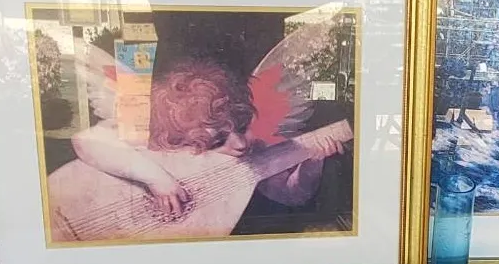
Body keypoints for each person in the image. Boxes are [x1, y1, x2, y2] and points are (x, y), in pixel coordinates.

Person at [71, 58, 341, 222]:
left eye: (242, 127)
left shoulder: (253, 154)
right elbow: (86, 139)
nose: (240, 144)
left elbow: (291, 196)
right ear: (178, 142)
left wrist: (312, 164)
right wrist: (157, 179)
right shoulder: (157, 144)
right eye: (217, 141)